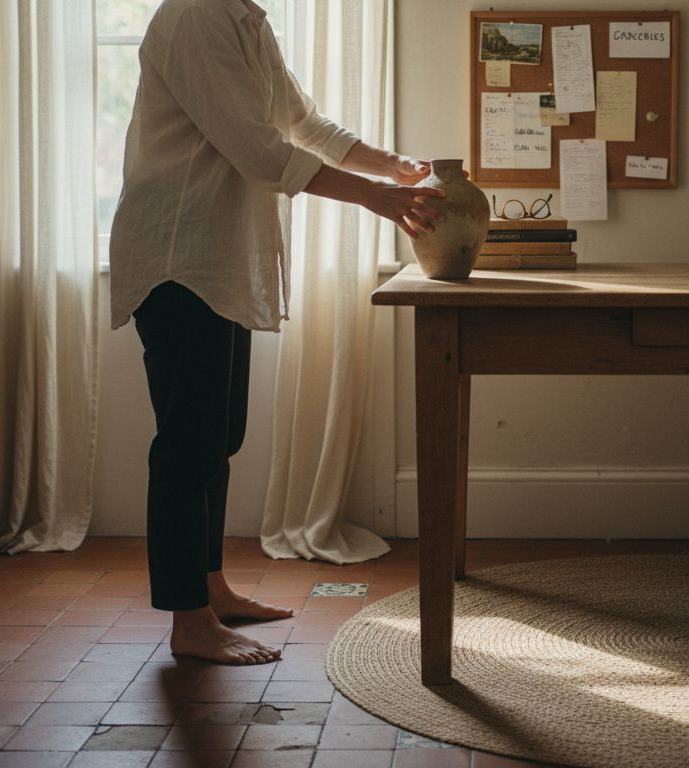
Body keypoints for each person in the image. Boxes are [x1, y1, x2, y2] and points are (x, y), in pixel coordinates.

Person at [108, 0, 444, 665]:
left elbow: (304, 124)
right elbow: (263, 152)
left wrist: (394, 166)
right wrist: (378, 199)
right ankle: (188, 622)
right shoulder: (198, 16)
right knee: (188, 444)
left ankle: (208, 589)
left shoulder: (245, 20)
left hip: (219, 260)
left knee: (218, 435)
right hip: (179, 259)